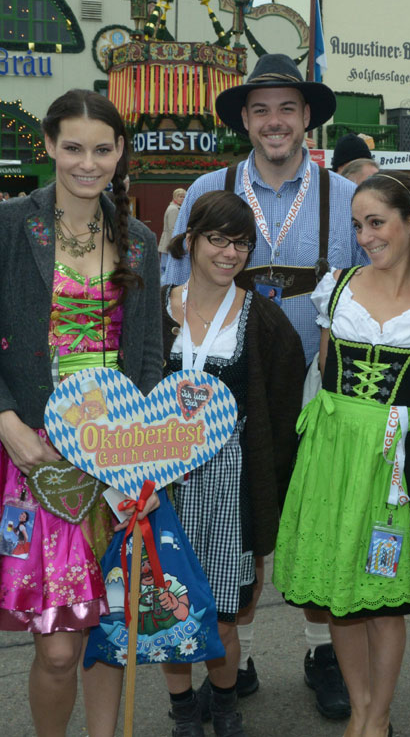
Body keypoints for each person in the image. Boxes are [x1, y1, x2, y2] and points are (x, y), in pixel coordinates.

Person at [164, 52, 368, 719]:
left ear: (307, 117)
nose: (274, 121)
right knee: (238, 530)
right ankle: (238, 655)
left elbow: (377, 286)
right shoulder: (206, 190)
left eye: (287, 108)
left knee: (317, 531)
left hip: (318, 390)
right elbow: (172, 288)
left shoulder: (345, 196)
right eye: (261, 110)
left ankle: (319, 649)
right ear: (244, 121)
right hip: (231, 395)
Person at [0, 88, 163, 737]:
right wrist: (4, 420)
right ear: (50, 144)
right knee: (57, 645)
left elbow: (147, 357)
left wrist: (141, 451)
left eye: (102, 148)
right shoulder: (3, 225)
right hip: (35, 452)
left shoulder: (138, 239)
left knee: (106, 624)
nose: (88, 162)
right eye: (74, 146)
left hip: (113, 455)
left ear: (119, 153)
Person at [274, 173, 410, 737]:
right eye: (358, 224)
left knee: (384, 594)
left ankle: (379, 713)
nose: (366, 236)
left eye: (377, 222)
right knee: (337, 593)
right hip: (332, 452)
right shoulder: (339, 285)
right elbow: (323, 374)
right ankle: (360, 705)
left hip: (393, 461)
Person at [159, 190, 304, 736]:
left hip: (230, 487)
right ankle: (182, 711)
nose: (229, 253)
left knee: (221, 611)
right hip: (163, 484)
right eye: (218, 239)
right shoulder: (158, 309)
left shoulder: (263, 319)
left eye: (241, 243)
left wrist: (272, 489)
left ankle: (223, 704)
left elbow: (286, 402)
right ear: (191, 238)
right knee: (166, 603)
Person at [160, 187, 187, 274]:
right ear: (175, 197)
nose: (182, 199)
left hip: (170, 243)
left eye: (184, 197)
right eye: (180, 196)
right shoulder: (174, 209)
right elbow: (173, 229)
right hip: (170, 243)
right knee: (167, 268)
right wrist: (176, 244)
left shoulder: (177, 208)